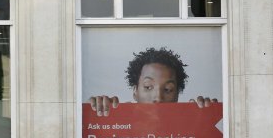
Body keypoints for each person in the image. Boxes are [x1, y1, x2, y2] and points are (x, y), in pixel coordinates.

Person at [88, 47, 218, 116]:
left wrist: (206, 118)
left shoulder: (189, 125)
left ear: (177, 94)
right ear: (135, 91)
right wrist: (97, 111)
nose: (158, 98)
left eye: (167, 89)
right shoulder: (117, 123)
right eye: (148, 87)